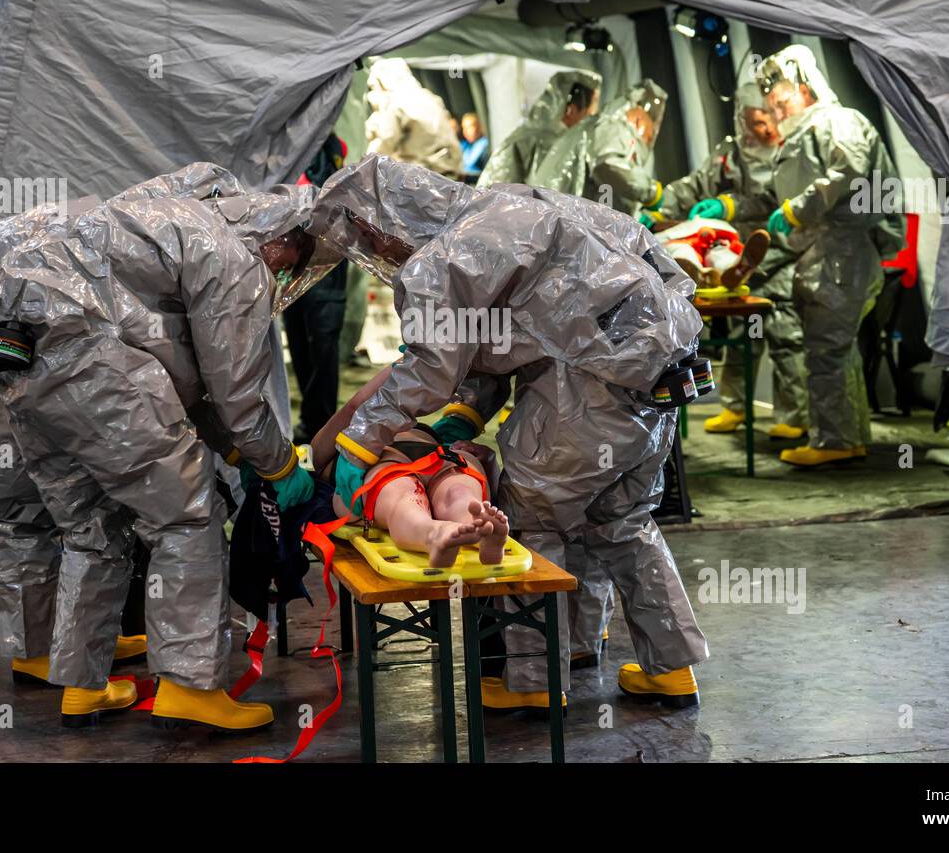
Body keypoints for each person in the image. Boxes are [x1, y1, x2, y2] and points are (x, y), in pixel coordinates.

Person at [305, 154, 709, 710]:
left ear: (377, 223)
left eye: (369, 245)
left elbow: (429, 368)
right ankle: (662, 667)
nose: (380, 257)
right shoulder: (521, 203)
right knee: (618, 521)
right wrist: (464, 416)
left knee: (534, 519)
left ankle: (535, 680)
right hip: (662, 383)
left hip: (583, 397)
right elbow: (514, 336)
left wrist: (359, 443)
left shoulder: (443, 260)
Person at [0, 163, 323, 731]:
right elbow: (233, 390)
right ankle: (190, 686)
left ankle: (81, 685)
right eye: (293, 260)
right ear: (280, 235)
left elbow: (182, 373)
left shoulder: (165, 219)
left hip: (27, 376)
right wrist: (279, 462)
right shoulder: (234, 258)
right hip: (94, 375)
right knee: (186, 518)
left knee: (93, 529)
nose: (285, 275)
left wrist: (237, 450)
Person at [0, 211, 148, 698]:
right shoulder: (123, 241)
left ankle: (67, 641)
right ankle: (39, 651)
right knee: (23, 511)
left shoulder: (110, 231)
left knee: (40, 505)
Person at [756, 45, 904, 466]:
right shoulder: (806, 133)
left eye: (782, 102)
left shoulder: (840, 122)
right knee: (838, 351)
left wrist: (797, 208)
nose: (778, 112)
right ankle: (849, 436)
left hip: (842, 253)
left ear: (805, 88)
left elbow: (850, 173)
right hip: (827, 252)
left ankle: (833, 442)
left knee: (826, 351)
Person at [657, 81, 810, 438]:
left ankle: (795, 415)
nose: (763, 130)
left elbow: (783, 200)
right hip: (742, 255)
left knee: (785, 331)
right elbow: (695, 185)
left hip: (784, 253)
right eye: (754, 122)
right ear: (742, 121)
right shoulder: (733, 154)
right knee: (745, 330)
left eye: (767, 121)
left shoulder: (794, 150)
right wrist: (660, 206)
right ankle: (737, 406)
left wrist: (731, 204)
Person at [308, 364, 509, 567]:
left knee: (404, 499)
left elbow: (355, 406)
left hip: (392, 464)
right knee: (457, 493)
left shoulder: (325, 453)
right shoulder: (336, 447)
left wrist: (416, 360)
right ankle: (474, 524)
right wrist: (412, 362)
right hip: (439, 456)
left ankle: (435, 533)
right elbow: (355, 405)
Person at [285, 132, 350, 442]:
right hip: (294, 263)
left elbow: (322, 196)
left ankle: (321, 425)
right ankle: (310, 421)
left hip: (324, 262)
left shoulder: (327, 144)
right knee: (299, 339)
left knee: (321, 343)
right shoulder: (289, 144)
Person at [528, 79, 668, 218]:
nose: (646, 140)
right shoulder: (613, 127)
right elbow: (609, 164)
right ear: (638, 118)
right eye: (649, 135)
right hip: (560, 223)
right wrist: (652, 192)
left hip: (550, 218)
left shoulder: (594, 125)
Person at [478, 70, 601, 187]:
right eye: (589, 115)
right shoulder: (546, 144)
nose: (592, 123)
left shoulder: (527, 137)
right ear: (571, 110)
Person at [364, 58, 463, 177]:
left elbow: (387, 139)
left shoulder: (395, 102)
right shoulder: (430, 97)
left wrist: (365, 168)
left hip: (420, 177)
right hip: (448, 171)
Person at [458, 112, 490, 180]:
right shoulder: (466, 146)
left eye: (469, 127)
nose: (465, 131)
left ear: (479, 127)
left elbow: (488, 174)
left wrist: (467, 176)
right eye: (464, 128)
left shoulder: (486, 147)